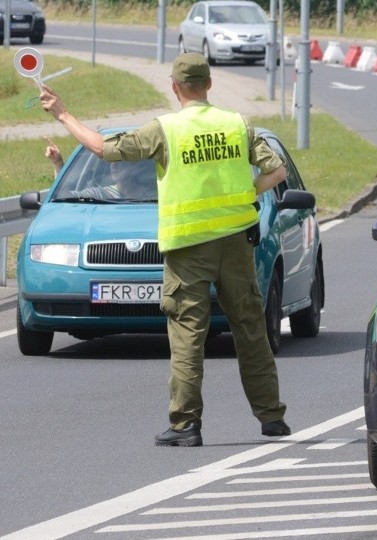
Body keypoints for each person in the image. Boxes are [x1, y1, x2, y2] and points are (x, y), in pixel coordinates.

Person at [40, 52, 291, 447]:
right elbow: (277, 172)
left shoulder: (165, 130)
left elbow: (103, 149)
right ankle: (272, 416)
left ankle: (186, 425)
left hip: (189, 247)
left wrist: (63, 115)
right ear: (209, 84)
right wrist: (246, 193)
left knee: (188, 332)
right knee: (249, 326)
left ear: (175, 87)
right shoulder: (238, 125)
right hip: (235, 242)